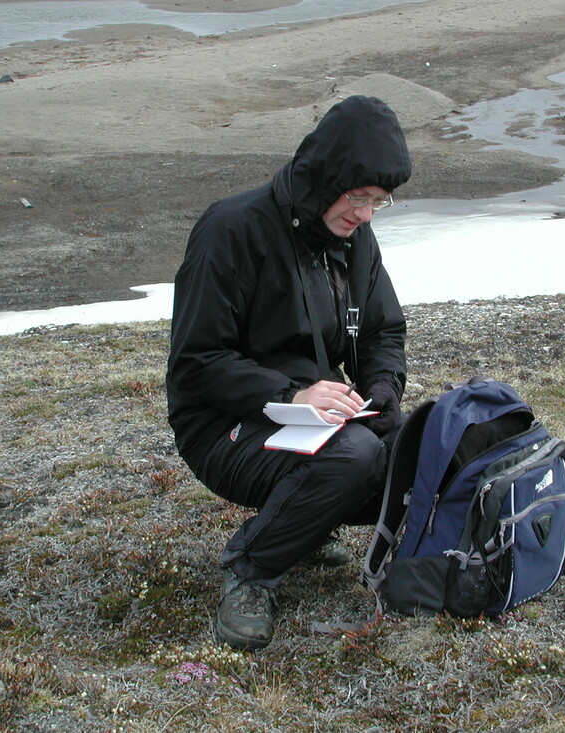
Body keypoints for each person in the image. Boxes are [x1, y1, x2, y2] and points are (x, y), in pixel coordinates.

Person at [166, 95, 412, 650]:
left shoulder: (354, 240)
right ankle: (249, 569)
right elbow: (196, 363)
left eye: (380, 201)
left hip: (315, 419)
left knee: (415, 447)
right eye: (358, 197)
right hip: (222, 426)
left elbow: (381, 332)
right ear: (326, 178)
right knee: (354, 456)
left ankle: (304, 525)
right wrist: (292, 393)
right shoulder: (232, 229)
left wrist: (381, 388)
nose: (366, 214)